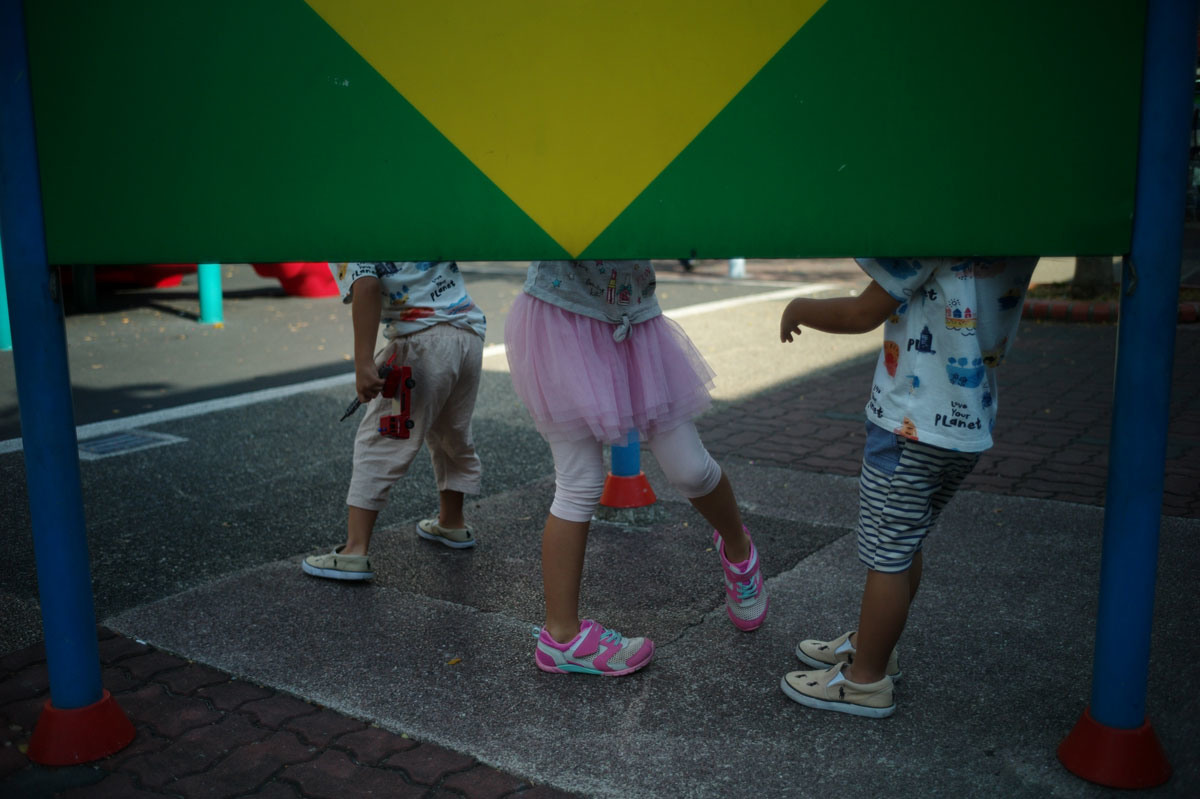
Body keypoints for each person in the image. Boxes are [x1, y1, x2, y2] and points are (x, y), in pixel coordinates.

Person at [776, 256, 1038, 717]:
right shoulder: (1014, 230)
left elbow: (862, 312)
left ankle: (865, 680)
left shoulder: (935, 228)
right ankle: (874, 644)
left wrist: (799, 307)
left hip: (912, 423)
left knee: (888, 554)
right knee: (905, 542)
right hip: (966, 423)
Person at [506, 259, 769, 677]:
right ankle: (561, 638)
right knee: (579, 482)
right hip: (561, 318)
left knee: (690, 470)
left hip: (635, 319)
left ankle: (738, 550)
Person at [302, 261, 486, 581]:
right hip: (467, 333)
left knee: (381, 441)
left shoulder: (349, 233)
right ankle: (452, 522)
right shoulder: (412, 224)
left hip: (419, 342)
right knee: (452, 433)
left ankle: (354, 551)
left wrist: (363, 363)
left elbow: (367, 285)